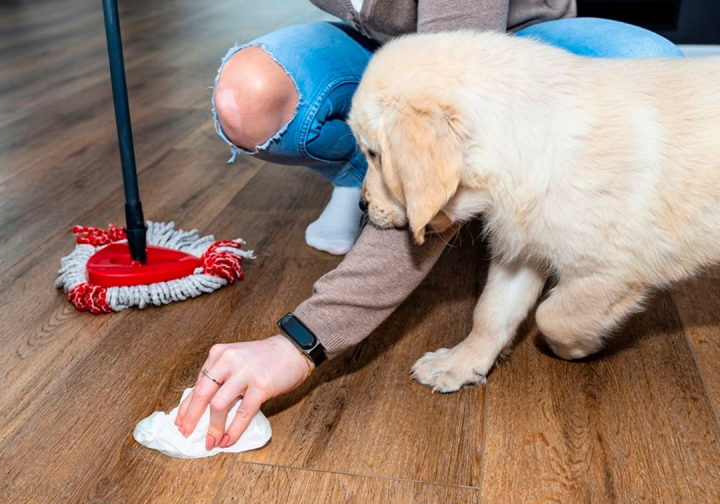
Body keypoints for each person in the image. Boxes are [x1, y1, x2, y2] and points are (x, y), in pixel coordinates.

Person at [175, 1, 683, 451]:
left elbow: (436, 142)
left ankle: (465, 189)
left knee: (651, 67)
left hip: (514, 44)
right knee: (248, 95)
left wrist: (302, 341)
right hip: (384, 55)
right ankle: (367, 170)